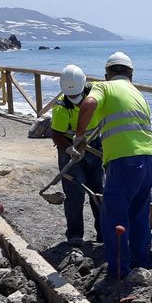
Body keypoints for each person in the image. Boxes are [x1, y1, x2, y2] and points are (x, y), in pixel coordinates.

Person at [72, 51, 152, 277]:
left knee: (114, 217)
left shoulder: (104, 87)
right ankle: (142, 265)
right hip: (147, 161)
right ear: (131, 74)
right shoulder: (138, 94)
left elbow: (88, 104)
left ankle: (119, 271)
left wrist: (78, 136)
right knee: (139, 215)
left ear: (107, 74)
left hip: (123, 163)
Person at [51, 64, 104, 246]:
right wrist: (69, 148)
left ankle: (103, 234)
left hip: (94, 145)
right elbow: (56, 134)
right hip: (70, 150)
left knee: (99, 191)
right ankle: (75, 236)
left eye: (76, 95)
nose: (73, 98)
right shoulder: (61, 107)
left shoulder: (96, 93)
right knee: (75, 194)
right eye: (70, 95)